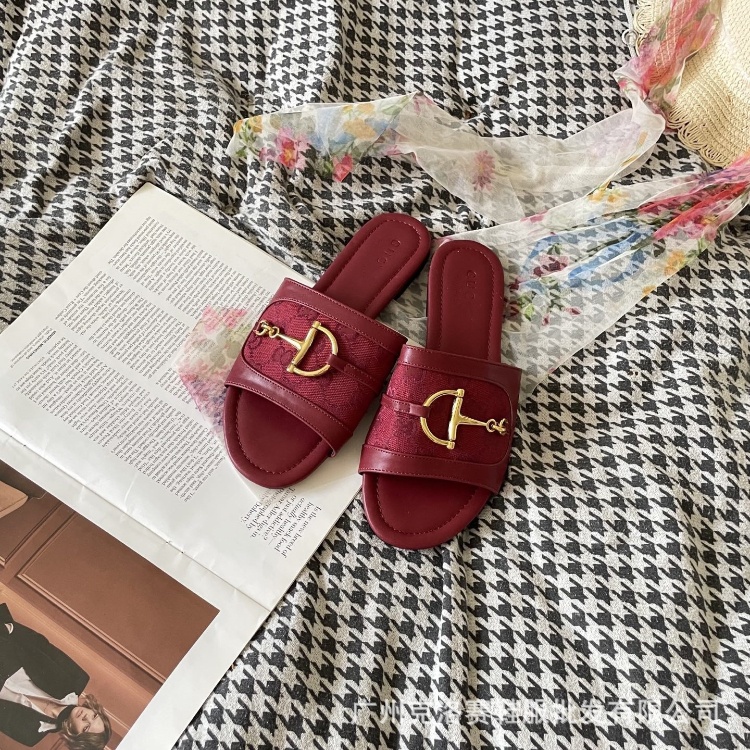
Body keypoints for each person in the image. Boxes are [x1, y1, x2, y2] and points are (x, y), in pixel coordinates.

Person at [0, 603, 112, 748]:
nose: (86, 717)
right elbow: (42, 644)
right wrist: (10, 628)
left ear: (75, 737)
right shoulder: (77, 678)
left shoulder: (31, 734)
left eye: (86, 728)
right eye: (94, 716)